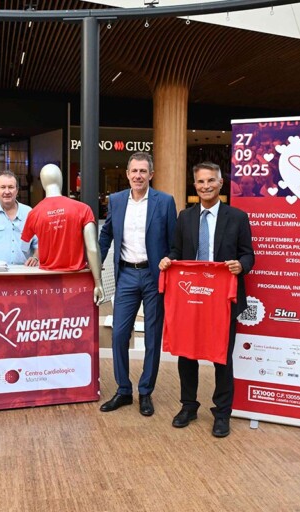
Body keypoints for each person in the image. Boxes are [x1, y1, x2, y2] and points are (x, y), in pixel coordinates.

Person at [159, 162, 254, 438]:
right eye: (200, 182)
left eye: (211, 180)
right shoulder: (185, 217)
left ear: (221, 183)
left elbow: (248, 254)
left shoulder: (237, 217)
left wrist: (241, 266)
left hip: (223, 300)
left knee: (222, 357)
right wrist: (168, 260)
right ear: (195, 185)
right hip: (191, 299)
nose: (206, 186)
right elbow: (177, 251)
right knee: (186, 354)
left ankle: (222, 413)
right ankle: (188, 406)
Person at [98, 152, 176, 417]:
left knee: (153, 337)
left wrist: (170, 259)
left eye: (143, 171)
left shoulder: (165, 202)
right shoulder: (117, 200)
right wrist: (95, 264)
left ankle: (145, 392)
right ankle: (123, 390)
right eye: (134, 171)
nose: (138, 176)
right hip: (126, 275)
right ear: (128, 174)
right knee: (119, 334)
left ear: (151, 174)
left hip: (154, 276)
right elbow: (106, 234)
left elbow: (174, 241)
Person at [21, 163, 104, 304]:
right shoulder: (83, 209)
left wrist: (37, 255)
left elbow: (24, 247)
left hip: (47, 280)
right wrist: (98, 282)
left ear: (43, 184)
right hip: (77, 280)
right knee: (77, 316)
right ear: (61, 181)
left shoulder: (34, 213)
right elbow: (93, 248)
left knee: (50, 315)